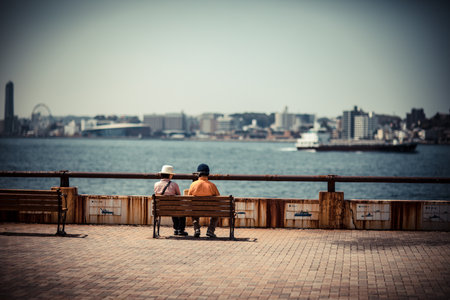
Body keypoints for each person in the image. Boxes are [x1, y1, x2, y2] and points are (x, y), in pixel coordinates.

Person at [154, 165, 188, 236]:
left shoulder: (156, 184)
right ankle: (180, 230)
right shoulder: (174, 185)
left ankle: (176, 229)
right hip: (172, 208)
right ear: (170, 175)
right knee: (179, 209)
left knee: (173, 207)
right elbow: (179, 196)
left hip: (160, 209)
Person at [188, 163, 220, 238]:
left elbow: (189, 197)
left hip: (196, 210)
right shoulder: (212, 185)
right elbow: (218, 198)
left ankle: (197, 229)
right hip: (210, 210)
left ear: (198, 174)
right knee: (216, 214)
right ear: (208, 174)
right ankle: (210, 230)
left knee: (193, 212)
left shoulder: (193, 185)